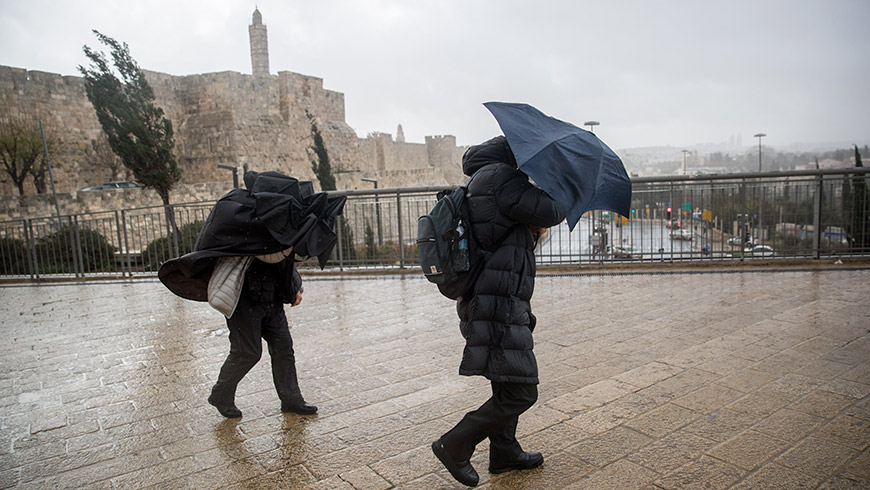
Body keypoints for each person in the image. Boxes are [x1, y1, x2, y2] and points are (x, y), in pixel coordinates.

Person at [431, 136, 566, 486]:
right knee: (523, 391)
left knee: (510, 380)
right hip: (497, 303)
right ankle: (456, 443)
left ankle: (505, 452)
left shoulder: (484, 180)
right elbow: (552, 209)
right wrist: (565, 185)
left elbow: (507, 233)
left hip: (495, 298)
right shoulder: (501, 179)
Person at [207, 256, 318, 418]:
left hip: (273, 298)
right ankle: (221, 394)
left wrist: (295, 286)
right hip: (243, 299)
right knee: (247, 352)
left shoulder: (277, 234)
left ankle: (291, 399)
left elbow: (283, 255)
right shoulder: (238, 233)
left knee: (283, 349)